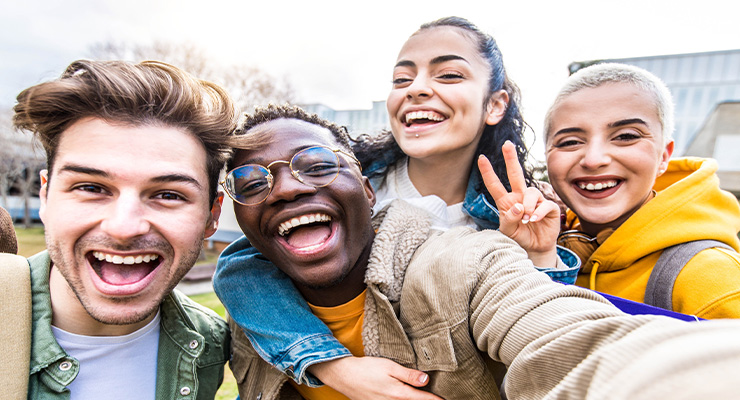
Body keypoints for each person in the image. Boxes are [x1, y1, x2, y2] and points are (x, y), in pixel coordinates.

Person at [219, 107, 740, 400]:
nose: (285, 189)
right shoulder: (245, 322)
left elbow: (568, 338)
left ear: (370, 189)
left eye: (316, 163)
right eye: (251, 180)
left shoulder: (467, 264)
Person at [214, 16, 577, 395]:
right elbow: (242, 264)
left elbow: (536, 330)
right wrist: (332, 365)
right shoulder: (340, 184)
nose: (417, 89)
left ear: (495, 104)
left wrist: (539, 256)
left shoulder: (511, 213)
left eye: (449, 75)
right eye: (402, 79)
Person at [10, 59, 236, 399]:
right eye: (90, 187)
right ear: (45, 195)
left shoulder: (213, 345)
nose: (124, 227)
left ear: (211, 216)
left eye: (168, 194)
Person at [541, 62, 740, 318]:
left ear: (663, 157)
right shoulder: (540, 248)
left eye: (626, 136)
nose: (593, 159)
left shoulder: (711, 278)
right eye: (569, 142)